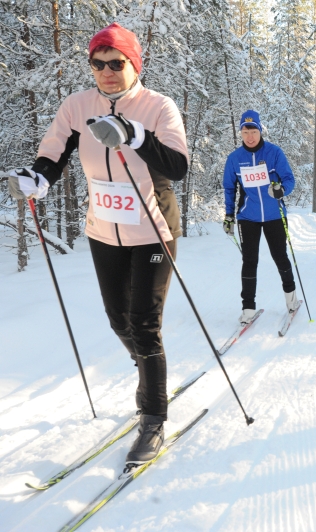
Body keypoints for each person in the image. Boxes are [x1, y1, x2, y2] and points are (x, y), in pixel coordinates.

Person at [7, 23, 188, 464]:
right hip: (103, 230)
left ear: (133, 63)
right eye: (97, 63)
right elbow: (54, 154)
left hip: (153, 230)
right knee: (118, 321)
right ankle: (149, 368)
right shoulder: (77, 107)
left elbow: (178, 165)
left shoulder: (158, 107)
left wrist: (134, 135)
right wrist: (38, 179)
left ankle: (153, 418)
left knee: (144, 323)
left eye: (116, 62)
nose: (106, 71)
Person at [222, 110, 300, 325]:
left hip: (275, 215)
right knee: (249, 261)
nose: (250, 136)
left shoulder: (274, 153)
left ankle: (291, 300)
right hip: (248, 217)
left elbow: (289, 179)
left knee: (280, 257)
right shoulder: (235, 158)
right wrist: (229, 215)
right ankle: (248, 309)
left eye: (254, 131)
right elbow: (229, 188)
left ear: (260, 130)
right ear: (241, 133)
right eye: (245, 131)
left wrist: (281, 190)